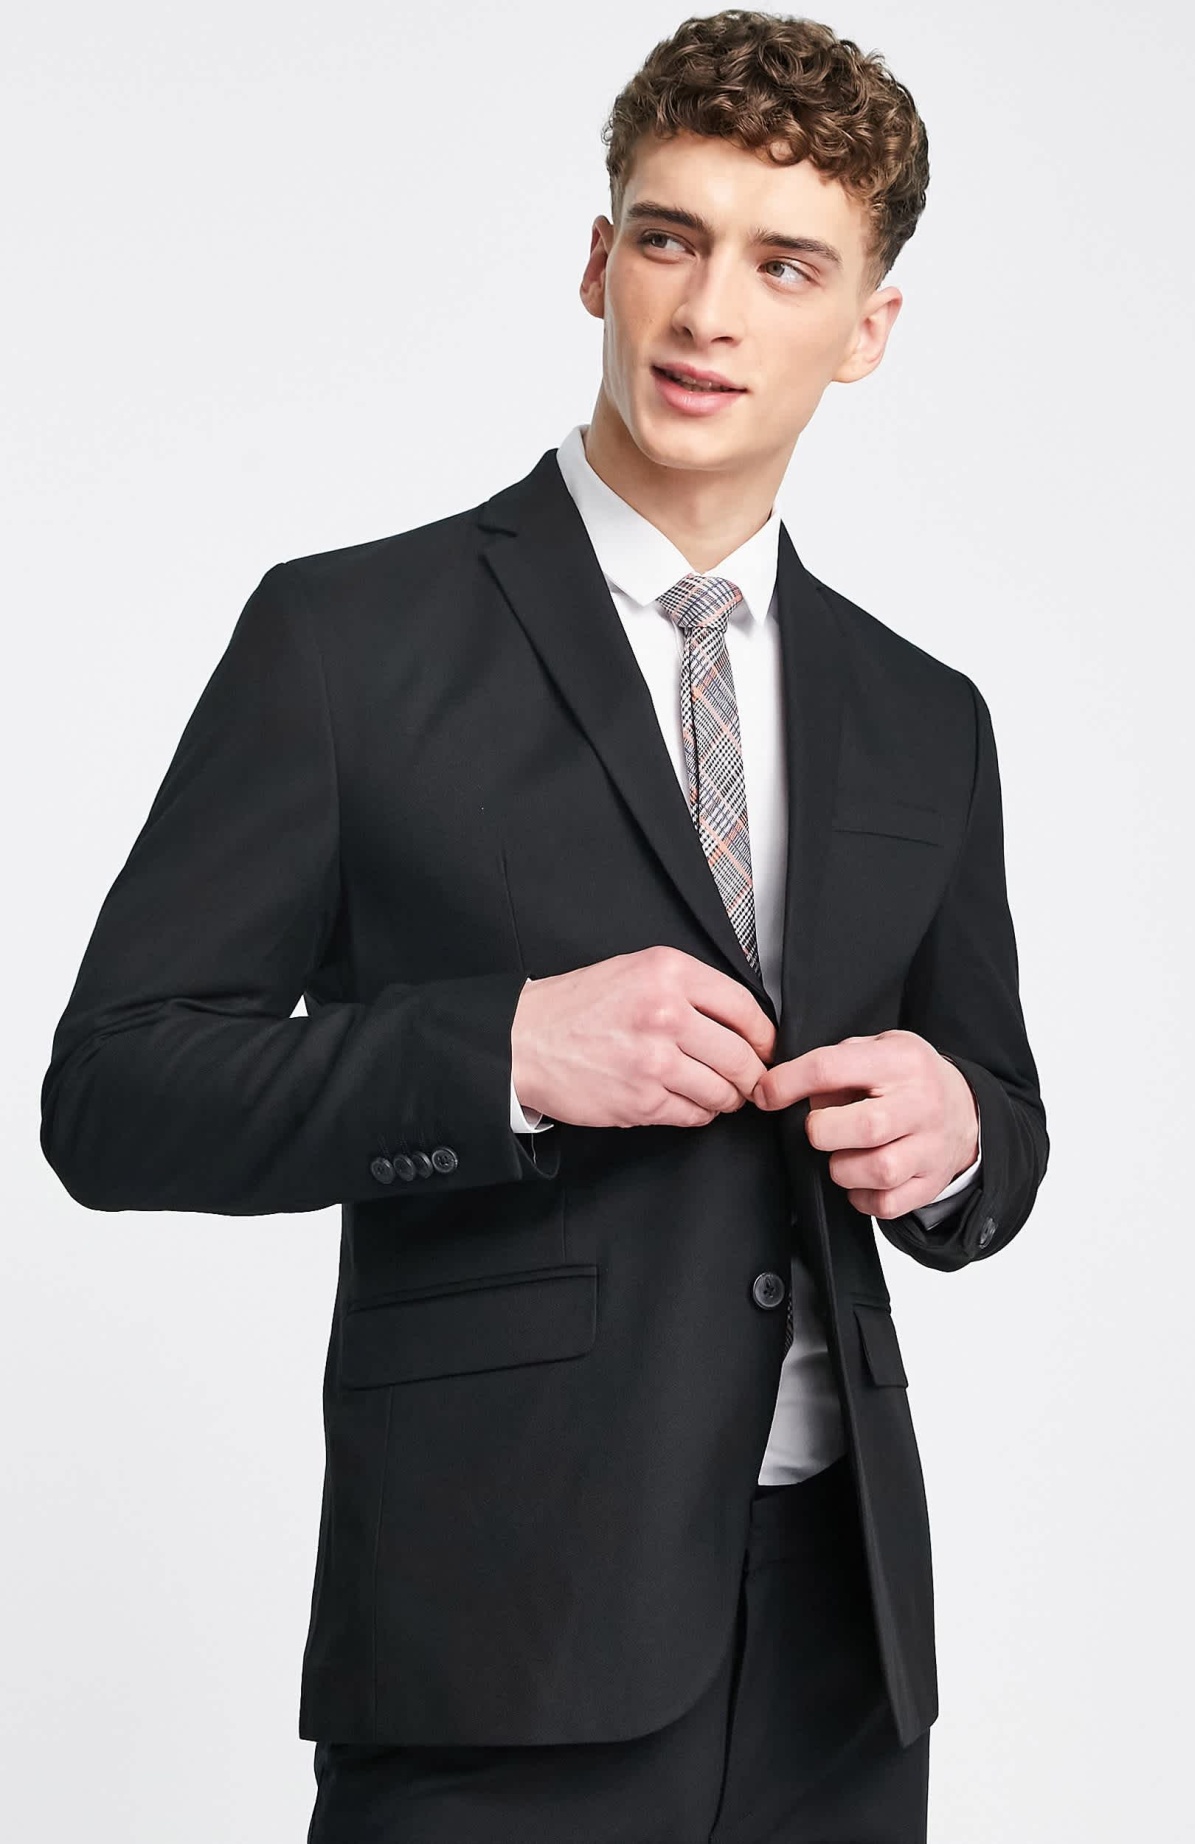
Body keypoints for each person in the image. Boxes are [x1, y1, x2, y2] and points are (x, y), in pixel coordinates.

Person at [39, 10, 1047, 1840]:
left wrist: (959, 1133)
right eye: (668, 238)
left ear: (867, 327)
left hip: (841, 1662)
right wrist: (498, 1052)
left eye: (784, 264)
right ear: (598, 260)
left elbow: (998, 1118)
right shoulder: (346, 643)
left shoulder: (924, 716)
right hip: (495, 1631)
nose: (707, 311)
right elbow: (110, 1096)